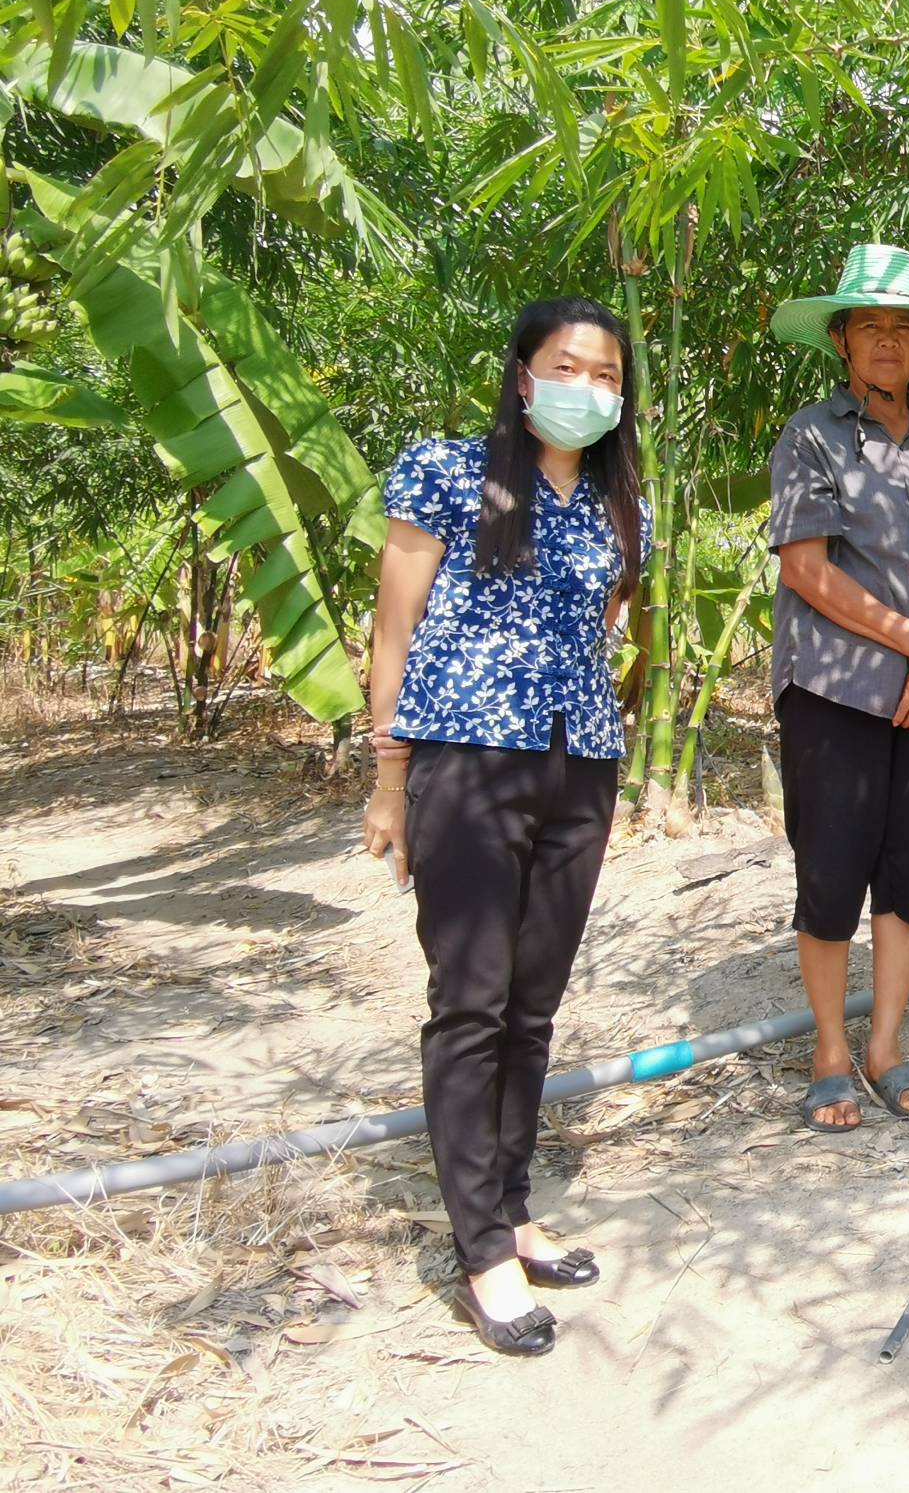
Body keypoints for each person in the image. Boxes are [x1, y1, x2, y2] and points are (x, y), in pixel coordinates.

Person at [362, 296, 649, 1357]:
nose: (590, 387)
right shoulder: (446, 471)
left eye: (610, 375)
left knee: (534, 1003)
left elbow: (599, 629)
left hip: (581, 766)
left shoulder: (626, 507)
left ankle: (516, 1207)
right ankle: (480, 1248)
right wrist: (391, 776)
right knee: (471, 1003)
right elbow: (395, 628)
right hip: (468, 761)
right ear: (525, 374)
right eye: (570, 365)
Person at [767, 243, 909, 1131]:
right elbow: (807, 570)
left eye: (905, 326)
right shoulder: (811, 436)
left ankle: (886, 1043)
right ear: (842, 342)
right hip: (837, 685)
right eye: (872, 326)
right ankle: (830, 1046)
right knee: (830, 868)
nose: (889, 342)